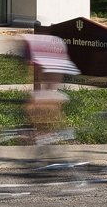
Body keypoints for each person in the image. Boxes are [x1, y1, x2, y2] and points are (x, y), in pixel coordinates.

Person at [21, 24, 79, 152]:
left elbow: (33, 72)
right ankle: (53, 134)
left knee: (32, 108)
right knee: (48, 108)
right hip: (56, 88)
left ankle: (43, 137)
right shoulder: (57, 42)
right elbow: (59, 71)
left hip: (49, 89)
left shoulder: (33, 43)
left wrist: (35, 95)